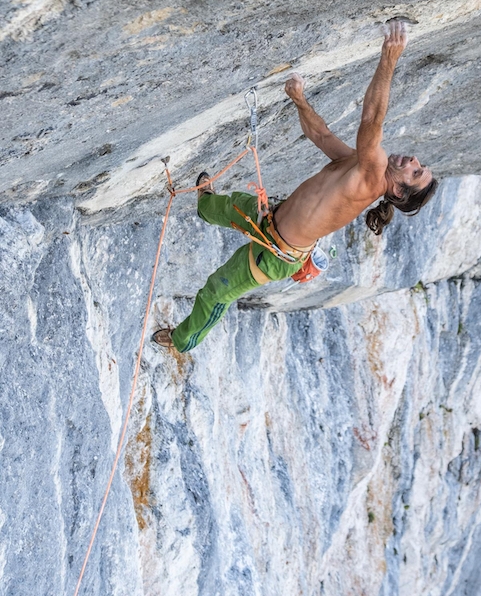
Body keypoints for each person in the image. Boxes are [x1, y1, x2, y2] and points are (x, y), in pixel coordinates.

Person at [152, 19, 438, 354]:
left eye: (416, 172)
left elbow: (372, 118)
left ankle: (183, 340)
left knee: (216, 291)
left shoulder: (373, 176)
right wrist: (299, 100)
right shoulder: (358, 164)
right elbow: (322, 136)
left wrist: (389, 57)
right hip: (269, 218)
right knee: (228, 205)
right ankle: (204, 205)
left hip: (274, 254)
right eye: (421, 165)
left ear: (399, 192)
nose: (415, 160)